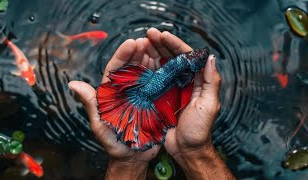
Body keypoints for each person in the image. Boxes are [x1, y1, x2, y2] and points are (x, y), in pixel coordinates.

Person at [68, 28, 235, 180]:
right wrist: (196, 152)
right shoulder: (188, 70)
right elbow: (183, 81)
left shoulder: (184, 64)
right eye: (202, 58)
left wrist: (126, 163)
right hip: (148, 87)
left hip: (149, 83)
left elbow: (182, 80)